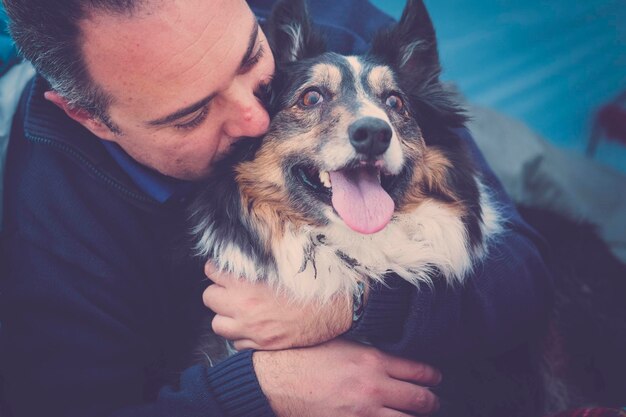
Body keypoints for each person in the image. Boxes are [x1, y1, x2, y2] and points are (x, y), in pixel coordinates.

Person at [0, 0, 553, 416]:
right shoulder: (47, 225)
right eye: (191, 115)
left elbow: (523, 275)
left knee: (560, 180)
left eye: (250, 61)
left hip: (458, 135)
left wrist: (357, 308)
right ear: (90, 119)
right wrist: (254, 391)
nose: (256, 120)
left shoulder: (338, 27)